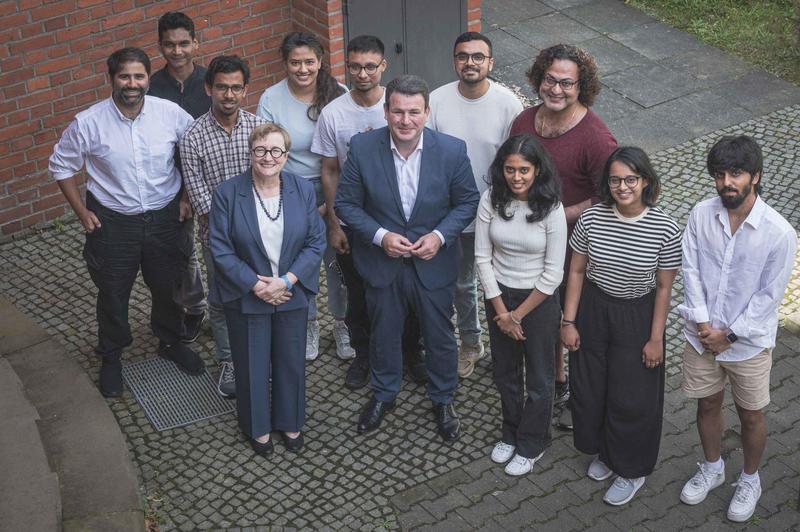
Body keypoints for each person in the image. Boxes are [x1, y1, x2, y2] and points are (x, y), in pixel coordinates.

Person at [49, 47, 203, 397]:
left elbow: (195, 150)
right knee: (114, 292)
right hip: (113, 222)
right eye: (124, 76)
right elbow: (61, 166)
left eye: (139, 76)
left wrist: (186, 198)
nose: (132, 84)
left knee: (168, 286)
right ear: (112, 79)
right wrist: (82, 212)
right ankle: (112, 355)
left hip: (166, 218)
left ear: (148, 78)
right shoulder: (88, 122)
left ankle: (171, 341)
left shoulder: (170, 114)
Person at [336, 75, 480, 442]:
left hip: (433, 262)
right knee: (383, 332)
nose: (405, 120)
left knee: (439, 334)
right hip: (382, 262)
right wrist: (381, 237)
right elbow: (346, 205)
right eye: (397, 111)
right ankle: (384, 395)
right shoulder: (363, 147)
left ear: (427, 113)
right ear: (385, 112)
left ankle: (444, 398)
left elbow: (467, 202)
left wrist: (439, 235)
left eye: (414, 112)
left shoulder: (451, 150)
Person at [677, 135, 797, 522]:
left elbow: (768, 296)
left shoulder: (779, 233)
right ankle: (712, 468)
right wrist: (702, 323)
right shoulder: (700, 214)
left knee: (751, 415)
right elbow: (690, 269)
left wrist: (728, 334)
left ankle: (750, 478)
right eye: (720, 174)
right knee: (707, 402)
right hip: (701, 336)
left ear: (756, 176)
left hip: (747, 344)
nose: (727, 182)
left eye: (737, 173)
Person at [560, 147, 681, 505]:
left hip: (637, 315)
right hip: (594, 310)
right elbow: (577, 271)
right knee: (594, 386)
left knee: (633, 395)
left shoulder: (666, 228)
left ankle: (632, 469)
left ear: (646, 181)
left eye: (631, 179)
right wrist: (569, 321)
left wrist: (656, 338)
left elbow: (663, 288)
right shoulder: (592, 219)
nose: (623, 186)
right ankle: (606, 453)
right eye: (615, 179)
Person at [510, 43, 618, 426]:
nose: (556, 89)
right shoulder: (524, 122)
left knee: (575, 322)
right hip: (531, 246)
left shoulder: (596, 137)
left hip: (578, 250)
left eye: (566, 84)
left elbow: (609, 195)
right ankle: (556, 382)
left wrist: (556, 216)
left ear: (581, 87)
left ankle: (583, 393)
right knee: (545, 316)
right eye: (549, 80)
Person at [311, 35, 425, 390]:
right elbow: (329, 171)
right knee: (358, 296)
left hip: (401, 221)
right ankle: (365, 356)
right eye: (355, 66)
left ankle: (411, 353)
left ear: (383, 67)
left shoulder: (400, 106)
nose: (362, 73)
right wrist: (334, 223)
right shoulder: (333, 113)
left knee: (409, 292)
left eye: (370, 66)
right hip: (356, 222)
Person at [208, 123, 325, 456]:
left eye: (276, 151)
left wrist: (287, 280)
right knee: (251, 363)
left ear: (286, 156)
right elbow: (220, 248)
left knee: (290, 361)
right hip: (248, 295)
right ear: (250, 153)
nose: (268, 157)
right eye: (260, 150)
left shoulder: (302, 190)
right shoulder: (228, 193)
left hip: (291, 290)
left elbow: (315, 242)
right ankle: (257, 426)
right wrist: (256, 285)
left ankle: (290, 420)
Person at [428, 31, 523, 379]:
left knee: (505, 283)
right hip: (453, 215)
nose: (470, 62)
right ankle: (471, 342)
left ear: (490, 62)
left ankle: (508, 352)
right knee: (463, 285)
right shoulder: (436, 101)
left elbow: (518, 161)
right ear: (454, 61)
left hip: (500, 212)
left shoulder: (508, 103)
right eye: (463, 56)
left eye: (478, 56)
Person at [475, 134, 566, 475]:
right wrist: (501, 312)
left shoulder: (552, 208)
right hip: (499, 297)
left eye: (524, 170)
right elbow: (482, 258)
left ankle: (533, 442)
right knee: (506, 373)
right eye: (510, 169)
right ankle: (510, 433)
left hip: (538, 302)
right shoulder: (491, 199)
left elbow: (553, 273)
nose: (516, 177)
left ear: (537, 169)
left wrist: (517, 315)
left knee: (540, 378)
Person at [257, 32, 350, 362]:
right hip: (291, 192)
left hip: (334, 185)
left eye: (309, 61)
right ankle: (308, 322)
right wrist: (309, 208)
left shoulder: (338, 94)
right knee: (301, 264)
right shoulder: (271, 98)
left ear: (320, 62)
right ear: (284, 63)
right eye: (295, 62)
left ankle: (342, 323)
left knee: (337, 262)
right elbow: (267, 154)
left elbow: (345, 154)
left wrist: (330, 205)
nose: (302, 68)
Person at [180, 55, 266, 398]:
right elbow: (199, 196)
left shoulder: (258, 129)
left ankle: (261, 355)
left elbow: (268, 179)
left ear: (245, 90)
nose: (228, 95)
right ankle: (229, 359)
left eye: (235, 88)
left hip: (261, 231)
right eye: (221, 87)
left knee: (259, 293)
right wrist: (230, 229)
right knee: (221, 299)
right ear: (208, 88)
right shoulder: (192, 137)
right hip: (216, 236)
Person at [148, 12, 210, 342]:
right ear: (160, 47)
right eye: (169, 44)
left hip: (215, 176)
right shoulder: (152, 87)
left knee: (223, 245)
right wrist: (184, 192)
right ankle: (195, 307)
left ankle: (230, 305)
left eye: (184, 43)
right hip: (172, 183)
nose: (177, 51)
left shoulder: (211, 82)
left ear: (195, 43)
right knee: (183, 251)